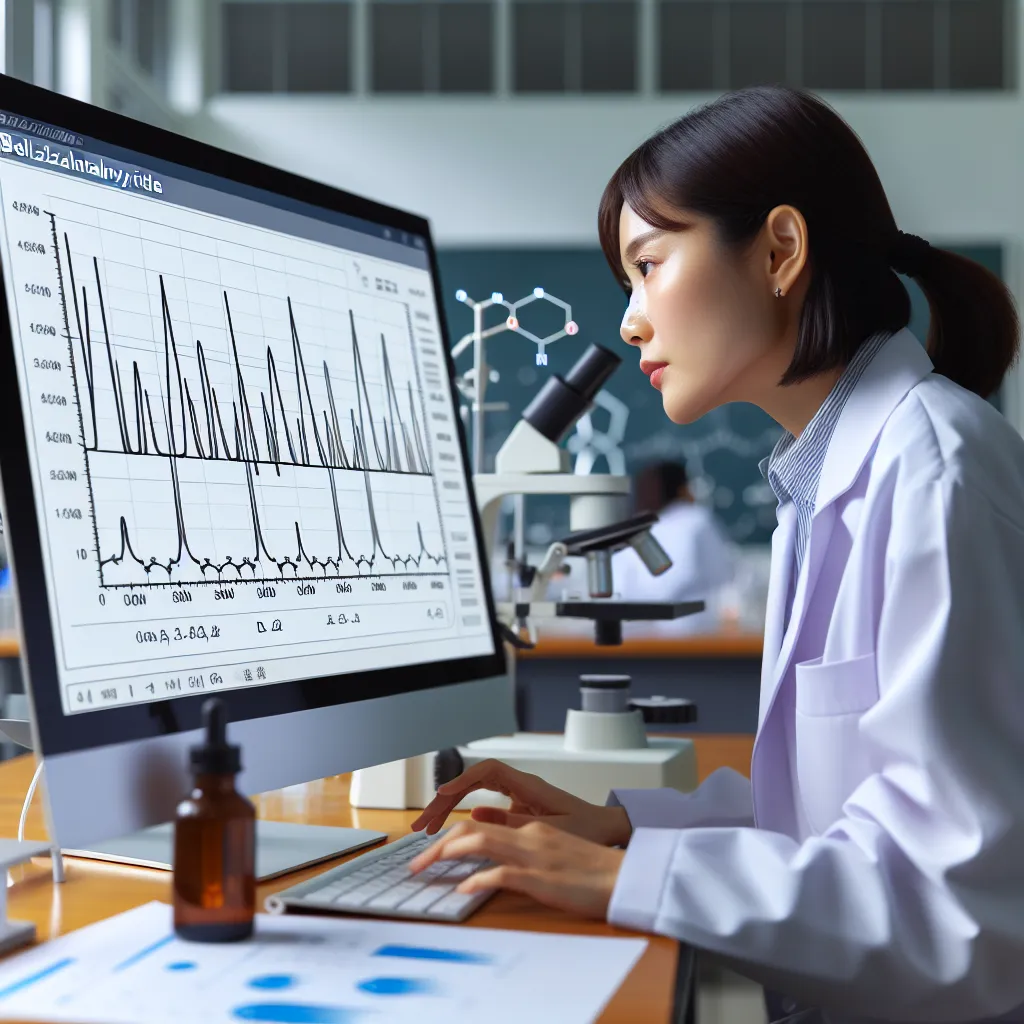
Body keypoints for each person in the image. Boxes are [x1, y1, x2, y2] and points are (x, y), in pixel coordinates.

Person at [408, 84, 1024, 1024]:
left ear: (780, 250)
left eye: (649, 266)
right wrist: (623, 826)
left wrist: (634, 876)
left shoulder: (932, 472)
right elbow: (830, 813)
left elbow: (960, 912)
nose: (630, 321)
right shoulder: (821, 476)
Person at [611, 459, 735, 634]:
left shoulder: (630, 532)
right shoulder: (697, 520)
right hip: (693, 637)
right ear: (685, 490)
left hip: (633, 638)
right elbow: (725, 577)